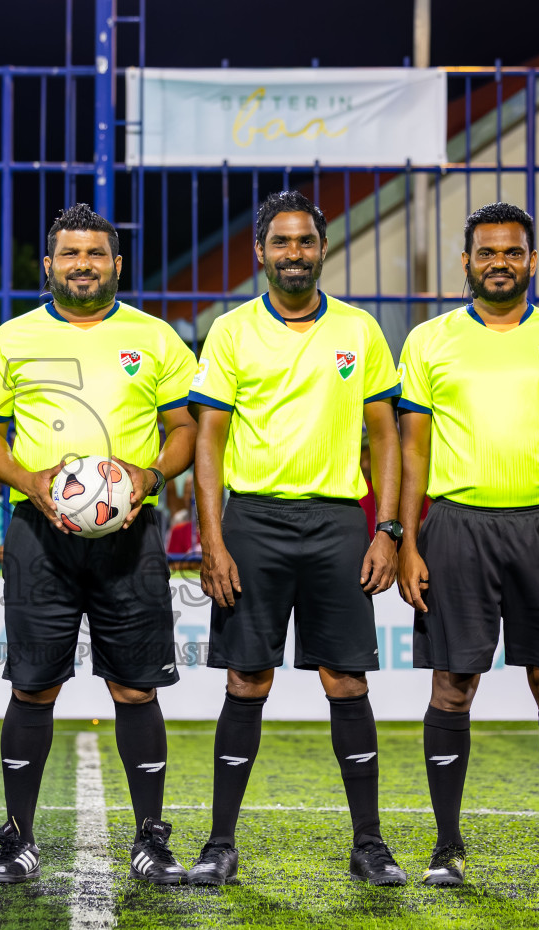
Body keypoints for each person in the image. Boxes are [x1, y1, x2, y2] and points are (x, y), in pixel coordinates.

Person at [0, 203, 198, 885]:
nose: (83, 264)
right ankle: (17, 837)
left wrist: (150, 472)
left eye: (96, 254)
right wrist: (30, 482)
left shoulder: (155, 337)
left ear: (117, 264)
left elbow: (184, 427)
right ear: (48, 264)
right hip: (40, 535)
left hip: (132, 536)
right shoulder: (12, 338)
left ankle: (151, 838)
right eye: (69, 254)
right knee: (33, 687)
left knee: (135, 689)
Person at [187, 191, 405, 886]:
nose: (293, 253)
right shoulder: (230, 331)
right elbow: (208, 442)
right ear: (260, 251)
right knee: (247, 676)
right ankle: (220, 842)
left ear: (322, 247)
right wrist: (212, 539)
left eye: (305, 241)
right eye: (280, 242)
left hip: (339, 522)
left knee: (346, 678)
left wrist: (389, 529)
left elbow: (384, 436)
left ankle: (369, 844)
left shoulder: (359, 330)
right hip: (253, 521)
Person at [396, 202, 539, 888]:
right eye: (486, 252)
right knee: (453, 686)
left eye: (512, 252)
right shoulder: (428, 341)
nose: (499, 263)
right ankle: (447, 847)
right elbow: (413, 453)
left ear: (532, 261)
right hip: (457, 527)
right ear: (467, 262)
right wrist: (403, 540)